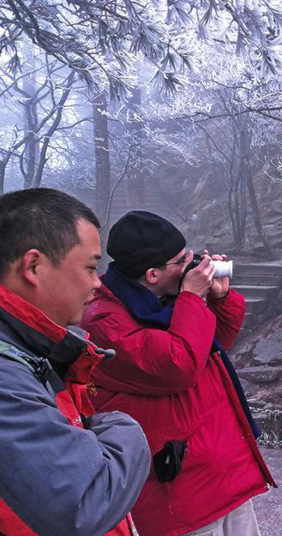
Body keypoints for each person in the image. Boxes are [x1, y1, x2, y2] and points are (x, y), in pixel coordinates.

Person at [81, 210, 276, 536]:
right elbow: (177, 367)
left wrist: (220, 297)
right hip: (180, 491)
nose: (195, 265)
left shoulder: (163, 301)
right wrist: (190, 297)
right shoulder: (104, 321)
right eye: (182, 261)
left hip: (221, 470)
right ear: (153, 274)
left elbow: (215, 344)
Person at [0, 188, 150, 536]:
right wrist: (124, 429)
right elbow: (83, 503)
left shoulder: (26, 347)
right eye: (90, 267)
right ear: (33, 266)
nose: (97, 282)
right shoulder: (7, 373)